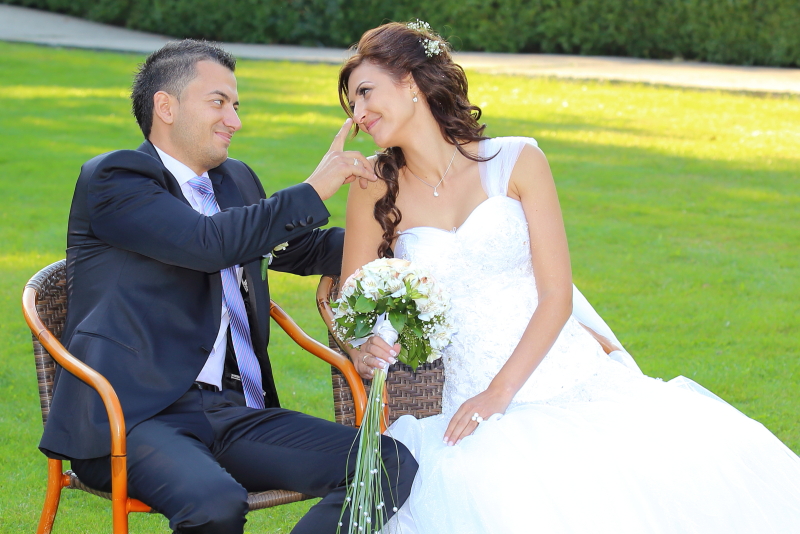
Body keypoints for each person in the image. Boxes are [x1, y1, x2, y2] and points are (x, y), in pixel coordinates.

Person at [338, 22, 800, 533]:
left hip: (566, 378)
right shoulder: (372, 188)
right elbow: (351, 308)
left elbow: (557, 296)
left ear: (410, 81)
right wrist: (362, 348)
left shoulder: (518, 160)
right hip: (466, 395)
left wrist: (498, 395)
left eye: (366, 92)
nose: (358, 113)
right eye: (352, 104)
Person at [39, 39, 417, 534]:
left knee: (386, 462)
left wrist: (401, 241)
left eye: (236, 105)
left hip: (234, 411)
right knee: (215, 503)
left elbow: (297, 249)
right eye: (218, 102)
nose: (234, 120)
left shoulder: (234, 180)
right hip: (132, 417)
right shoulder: (115, 178)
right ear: (166, 107)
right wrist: (315, 188)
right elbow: (207, 243)